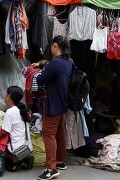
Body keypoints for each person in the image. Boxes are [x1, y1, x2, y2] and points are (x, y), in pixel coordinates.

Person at [33, 35, 73, 180]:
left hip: (52, 102)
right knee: (58, 132)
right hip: (63, 101)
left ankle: (51, 168)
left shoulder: (55, 63)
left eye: (51, 46)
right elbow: (55, 70)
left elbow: (42, 79)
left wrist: (38, 72)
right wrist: (43, 65)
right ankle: (61, 160)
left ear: (55, 46)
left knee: (48, 133)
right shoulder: (68, 61)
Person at [0, 85, 34, 172]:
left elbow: (4, 131)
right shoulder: (22, 108)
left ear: (9, 96)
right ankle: (26, 157)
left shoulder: (10, 112)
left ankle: (15, 161)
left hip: (16, 148)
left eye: (6, 93)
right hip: (28, 146)